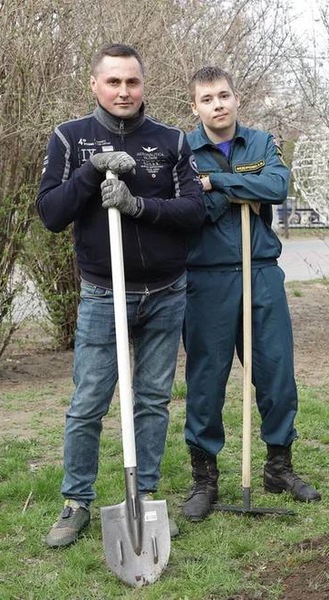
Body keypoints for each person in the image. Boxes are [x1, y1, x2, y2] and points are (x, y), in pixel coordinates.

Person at [36, 43, 205, 548]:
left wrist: (136, 205)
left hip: (166, 291)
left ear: (143, 84)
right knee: (88, 402)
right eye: (113, 82)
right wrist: (90, 173)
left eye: (132, 82)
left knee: (152, 401)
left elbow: (193, 211)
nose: (124, 91)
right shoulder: (69, 139)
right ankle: (76, 502)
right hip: (103, 294)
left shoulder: (172, 141)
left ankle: (147, 496)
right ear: (95, 84)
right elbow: (51, 214)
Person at [180, 66, 319, 522]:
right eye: (207, 99)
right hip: (207, 278)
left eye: (224, 95)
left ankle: (279, 467)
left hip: (260, 272)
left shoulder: (260, 143)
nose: (217, 105)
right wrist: (241, 192)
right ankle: (205, 478)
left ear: (236, 99)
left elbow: (277, 187)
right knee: (206, 379)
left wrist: (217, 183)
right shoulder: (183, 150)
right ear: (196, 106)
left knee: (277, 372)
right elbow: (187, 209)